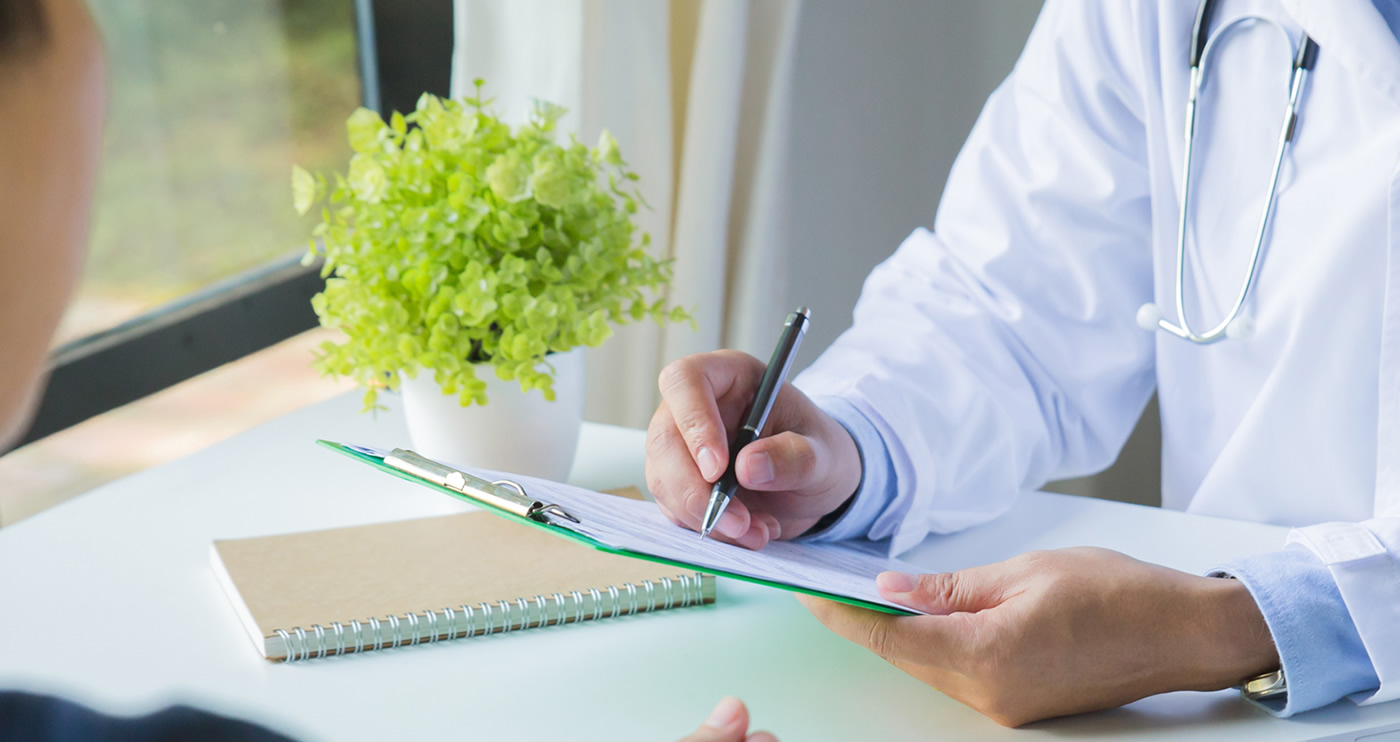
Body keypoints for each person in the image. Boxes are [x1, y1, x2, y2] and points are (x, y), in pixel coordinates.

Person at [650, 0, 1400, 733]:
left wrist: (1237, 625)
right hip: (1212, 713)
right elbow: (1010, 303)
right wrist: (847, 450)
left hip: (1224, 686)